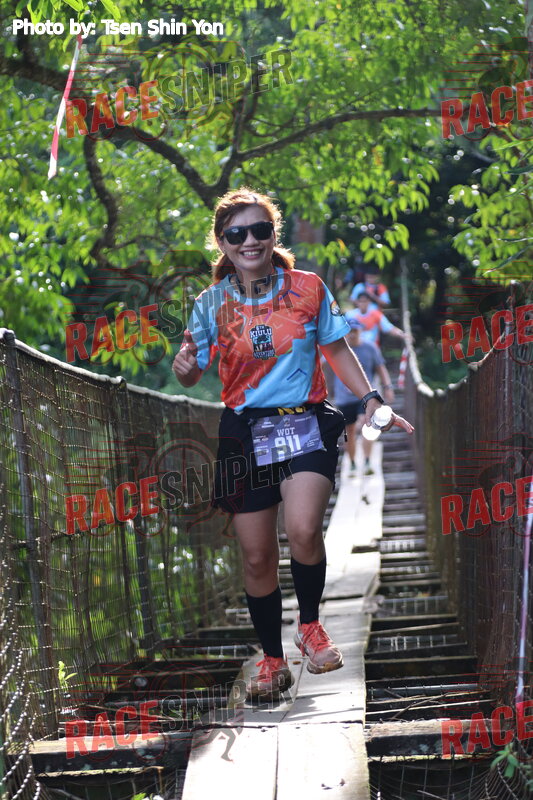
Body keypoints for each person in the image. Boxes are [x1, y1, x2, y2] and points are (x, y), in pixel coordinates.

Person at [172, 188, 414, 702]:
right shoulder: (210, 303)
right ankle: (272, 660)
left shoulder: (307, 287)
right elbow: (193, 370)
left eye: (260, 230)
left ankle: (309, 626)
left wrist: (371, 399)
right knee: (257, 556)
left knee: (303, 529)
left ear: (273, 234)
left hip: (305, 422)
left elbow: (337, 349)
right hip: (245, 431)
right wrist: (186, 367)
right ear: (222, 243)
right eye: (237, 233)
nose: (250, 241)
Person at [332, 319, 395, 476]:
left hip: (365, 396)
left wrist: (388, 387)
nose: (352, 334)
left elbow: (381, 368)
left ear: (360, 331)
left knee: (367, 424)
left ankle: (367, 460)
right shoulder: (337, 348)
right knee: (349, 432)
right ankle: (353, 463)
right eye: (349, 331)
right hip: (344, 398)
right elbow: (322, 364)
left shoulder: (370, 348)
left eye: (355, 331)